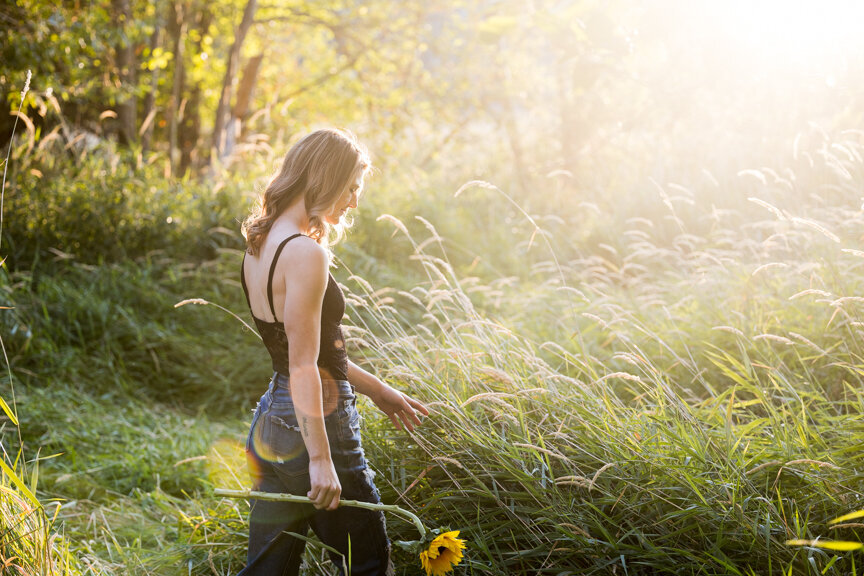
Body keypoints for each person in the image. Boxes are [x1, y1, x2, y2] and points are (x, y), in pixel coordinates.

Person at [237, 128, 429, 575]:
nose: (354, 202)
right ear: (325, 178)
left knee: (269, 568)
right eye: (351, 188)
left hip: (273, 420)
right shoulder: (305, 253)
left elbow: (306, 355)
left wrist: (380, 391)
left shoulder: (259, 243)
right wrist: (322, 460)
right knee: (368, 561)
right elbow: (305, 365)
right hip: (318, 424)